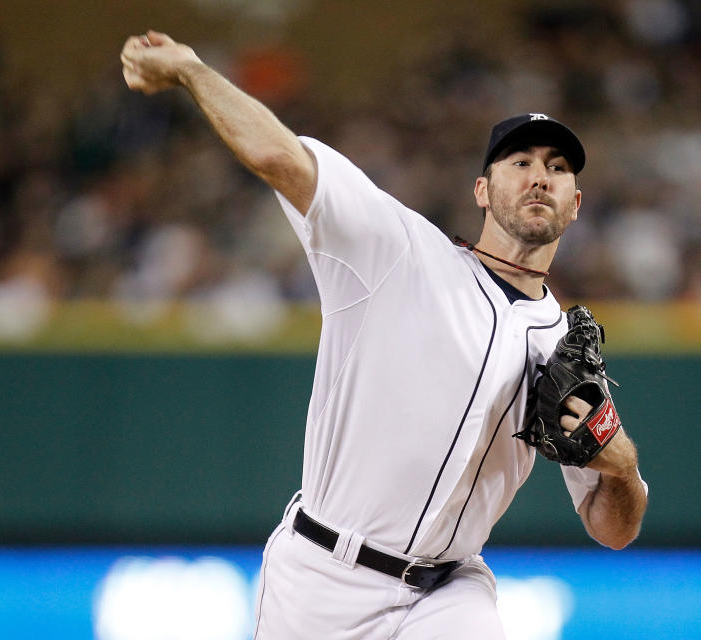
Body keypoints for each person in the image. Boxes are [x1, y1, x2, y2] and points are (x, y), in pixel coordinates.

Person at [121, 30, 648, 640]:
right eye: (520, 162)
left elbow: (614, 529)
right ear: (482, 190)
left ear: (575, 203)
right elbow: (280, 157)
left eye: (557, 169)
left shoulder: (565, 351)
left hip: (447, 595)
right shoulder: (396, 251)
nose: (539, 177)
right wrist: (192, 70)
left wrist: (621, 468)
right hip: (320, 575)